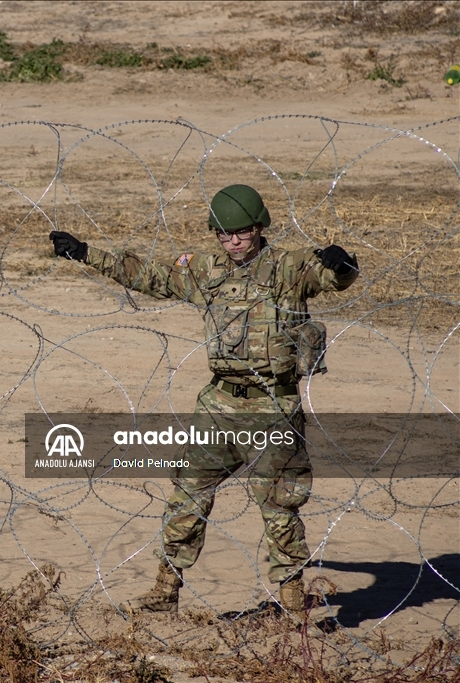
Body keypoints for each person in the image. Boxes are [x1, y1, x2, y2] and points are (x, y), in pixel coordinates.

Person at [49, 184, 359, 619]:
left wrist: (342, 262)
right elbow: (149, 276)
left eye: (241, 233)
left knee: (280, 506)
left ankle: (292, 603)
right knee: (187, 494)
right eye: (223, 234)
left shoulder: (289, 268)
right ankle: (165, 591)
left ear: (259, 228)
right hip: (218, 404)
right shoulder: (206, 270)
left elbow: (336, 279)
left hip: (273, 406)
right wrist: (86, 253)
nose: (232, 242)